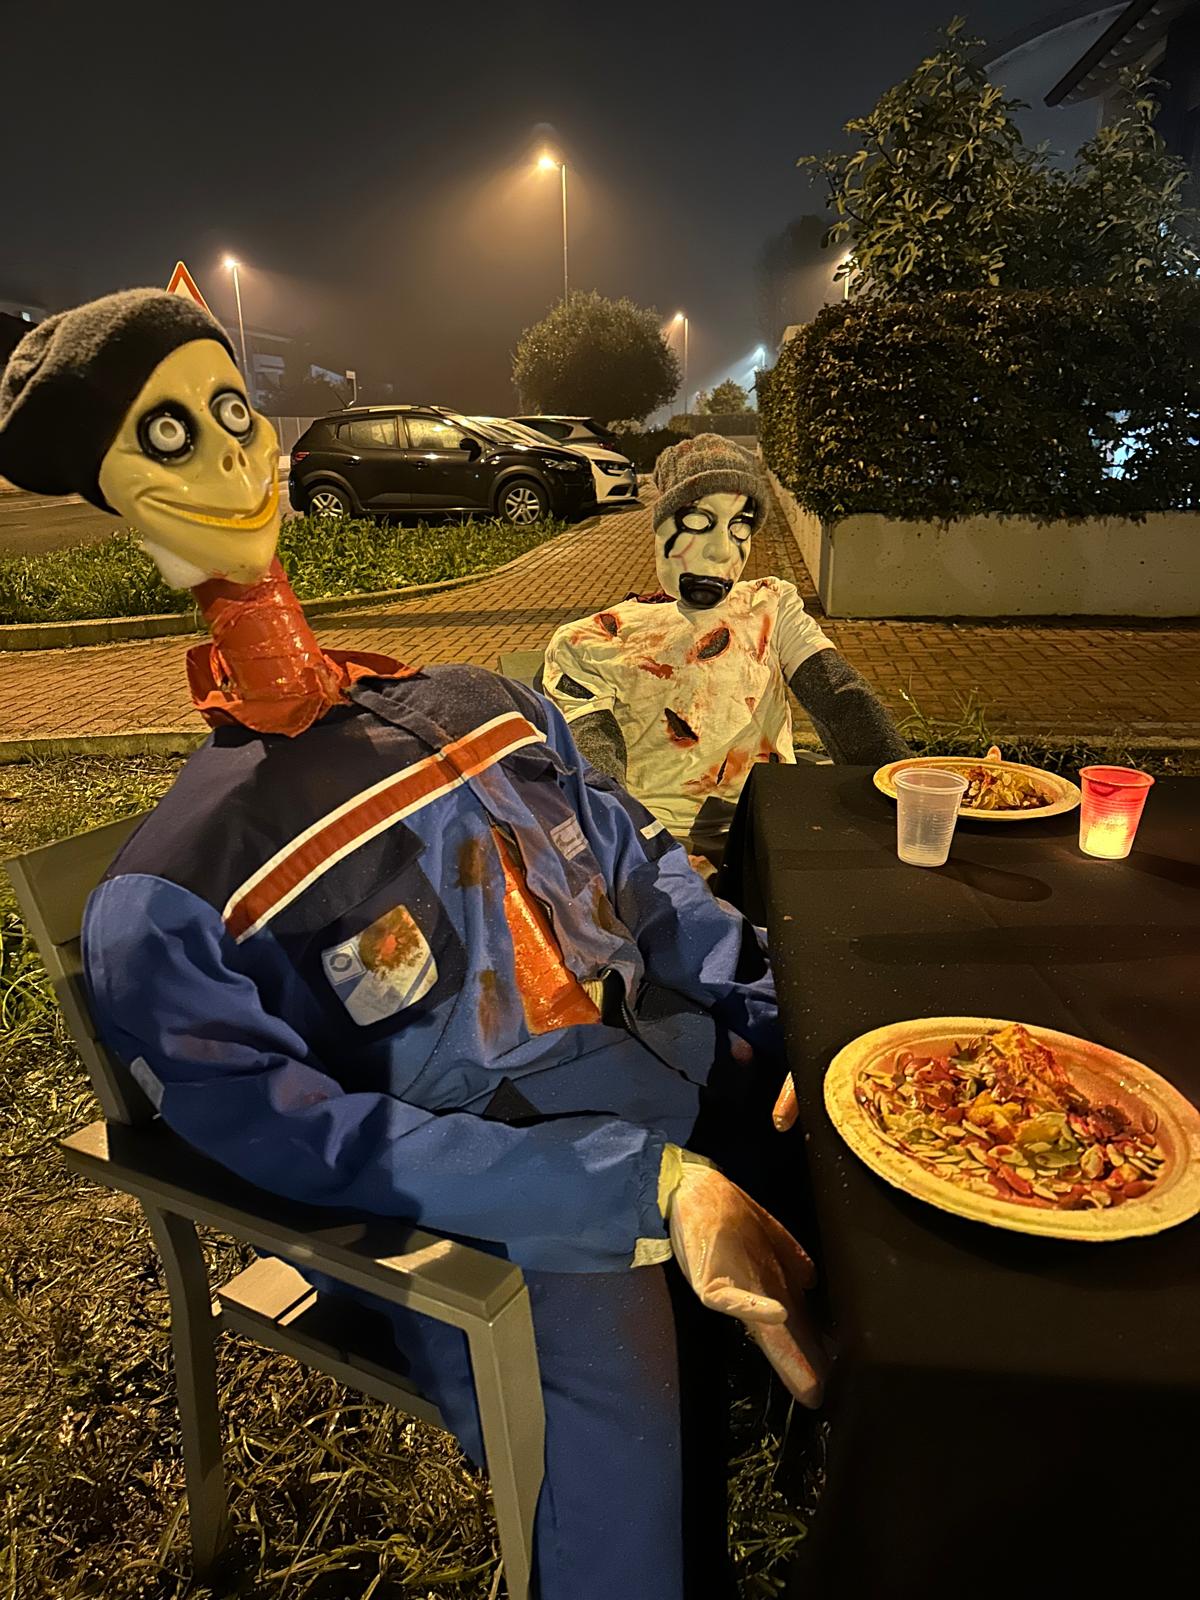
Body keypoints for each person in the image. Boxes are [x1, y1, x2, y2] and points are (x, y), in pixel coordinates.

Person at [0, 291, 825, 1600]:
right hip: (507, 1206)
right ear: (109, 489)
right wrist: (646, 1189)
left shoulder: (482, 701)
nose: (229, 453)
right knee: (621, 1406)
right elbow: (306, 1140)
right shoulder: (171, 896)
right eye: (167, 433)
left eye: (232, 409)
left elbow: (644, 867)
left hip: (679, 1065)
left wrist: (778, 1009)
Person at [542, 434, 909, 869]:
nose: (722, 549)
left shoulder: (770, 605)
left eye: (740, 527)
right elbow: (595, 768)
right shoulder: (588, 642)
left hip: (771, 832)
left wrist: (910, 790)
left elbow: (839, 697)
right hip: (660, 846)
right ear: (661, 527)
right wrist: (632, 861)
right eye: (699, 521)